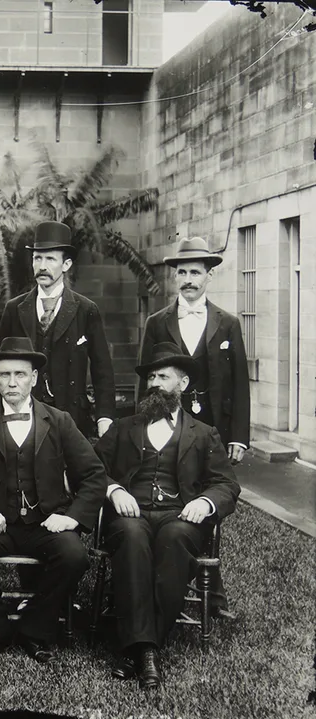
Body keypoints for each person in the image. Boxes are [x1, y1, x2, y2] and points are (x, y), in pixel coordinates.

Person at [0, 337, 108, 663]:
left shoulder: (59, 422)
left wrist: (71, 517)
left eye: (20, 374)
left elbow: (94, 475)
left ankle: (36, 626)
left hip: (45, 522)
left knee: (74, 556)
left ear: (34, 378)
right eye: (4, 375)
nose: (12, 382)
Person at [95, 342, 240, 689]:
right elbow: (92, 469)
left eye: (163, 376)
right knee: (131, 537)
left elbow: (226, 483)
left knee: (175, 539)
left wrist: (205, 503)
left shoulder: (203, 434)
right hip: (132, 513)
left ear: (183, 384)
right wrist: (115, 490)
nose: (155, 383)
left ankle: (138, 649)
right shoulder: (123, 427)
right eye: (151, 377)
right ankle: (148, 652)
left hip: (180, 517)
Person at [137, 236, 249, 619]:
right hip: (168, 423)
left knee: (207, 504)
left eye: (195, 273)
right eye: (181, 272)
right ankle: (163, 577)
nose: (187, 279)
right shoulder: (157, 323)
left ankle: (211, 592)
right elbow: (146, 380)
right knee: (173, 498)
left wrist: (239, 436)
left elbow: (238, 382)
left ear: (209, 276)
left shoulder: (228, 323)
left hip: (212, 428)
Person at [0, 221, 116, 440]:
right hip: (23, 417)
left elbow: (103, 371)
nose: (42, 266)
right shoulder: (15, 309)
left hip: (71, 419)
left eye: (50, 259)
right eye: (37, 258)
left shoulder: (86, 309)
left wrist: (104, 417)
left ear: (66, 264)